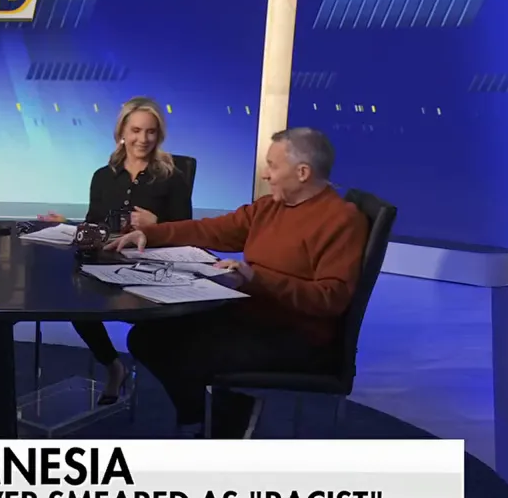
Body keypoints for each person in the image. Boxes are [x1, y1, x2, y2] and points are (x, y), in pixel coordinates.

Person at [107, 127, 369, 439]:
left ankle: (220, 420)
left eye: (273, 165)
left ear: (302, 172)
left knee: (180, 351)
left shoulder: (341, 220)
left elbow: (331, 298)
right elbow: (212, 230)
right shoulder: (270, 206)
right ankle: (205, 416)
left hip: (297, 336)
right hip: (249, 315)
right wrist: (151, 235)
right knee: (146, 337)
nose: (266, 175)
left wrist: (257, 278)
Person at [41, 98, 192, 405]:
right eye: (136, 130)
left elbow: (186, 231)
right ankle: (114, 367)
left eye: (151, 132)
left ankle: (185, 399)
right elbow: (94, 225)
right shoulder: (103, 176)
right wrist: (68, 225)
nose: (143, 139)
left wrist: (156, 224)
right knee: (75, 302)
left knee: (159, 330)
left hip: (153, 269)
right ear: (122, 131)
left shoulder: (172, 176)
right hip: (107, 264)